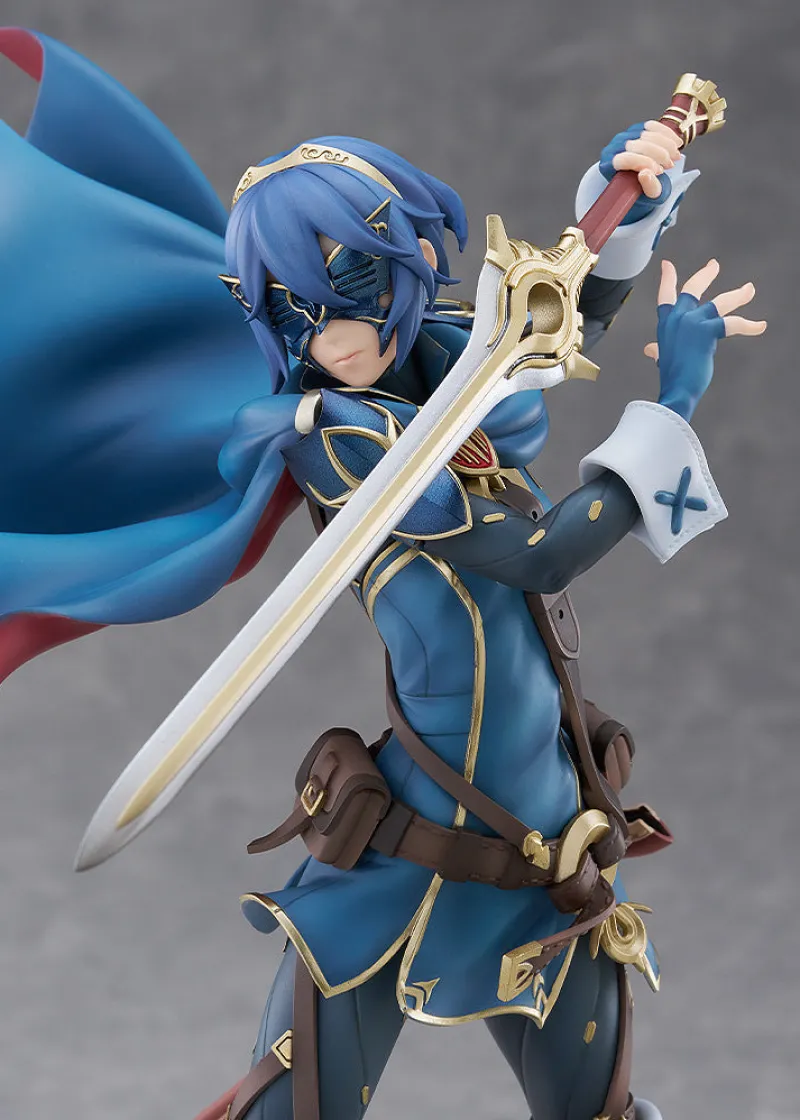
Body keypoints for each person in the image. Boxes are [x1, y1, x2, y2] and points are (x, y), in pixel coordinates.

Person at [0, 28, 764, 1120]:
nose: (332, 336)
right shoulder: (340, 438)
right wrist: (675, 399)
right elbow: (540, 552)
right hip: (408, 854)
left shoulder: (450, 358)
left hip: (548, 842)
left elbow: (552, 322)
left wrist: (625, 208)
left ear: (403, 260)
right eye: (289, 308)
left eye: (349, 284)